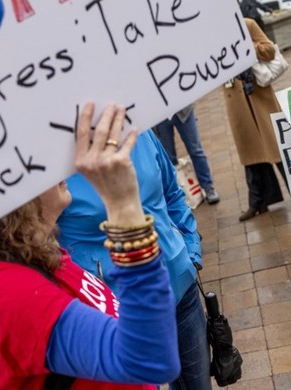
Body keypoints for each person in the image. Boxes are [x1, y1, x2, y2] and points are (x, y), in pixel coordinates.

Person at [0, 102, 180, 388]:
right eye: (38, 157)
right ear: (5, 186)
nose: (59, 164)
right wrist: (122, 204)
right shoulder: (2, 290)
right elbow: (150, 357)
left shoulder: (33, 253)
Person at [58, 129, 210, 390]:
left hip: (180, 289)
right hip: (120, 307)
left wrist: (190, 251)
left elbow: (173, 194)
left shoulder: (139, 131)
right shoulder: (56, 166)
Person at [224, 18, 287, 221]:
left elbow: (269, 51)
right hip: (236, 98)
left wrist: (248, 46)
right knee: (250, 151)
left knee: (277, 146)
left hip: (259, 92)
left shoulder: (247, 24)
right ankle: (258, 201)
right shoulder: (210, 36)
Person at [153, 103, 220, 204]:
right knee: (168, 159)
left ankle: (208, 187)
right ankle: (178, 196)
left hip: (183, 109)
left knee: (195, 150)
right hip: (159, 116)